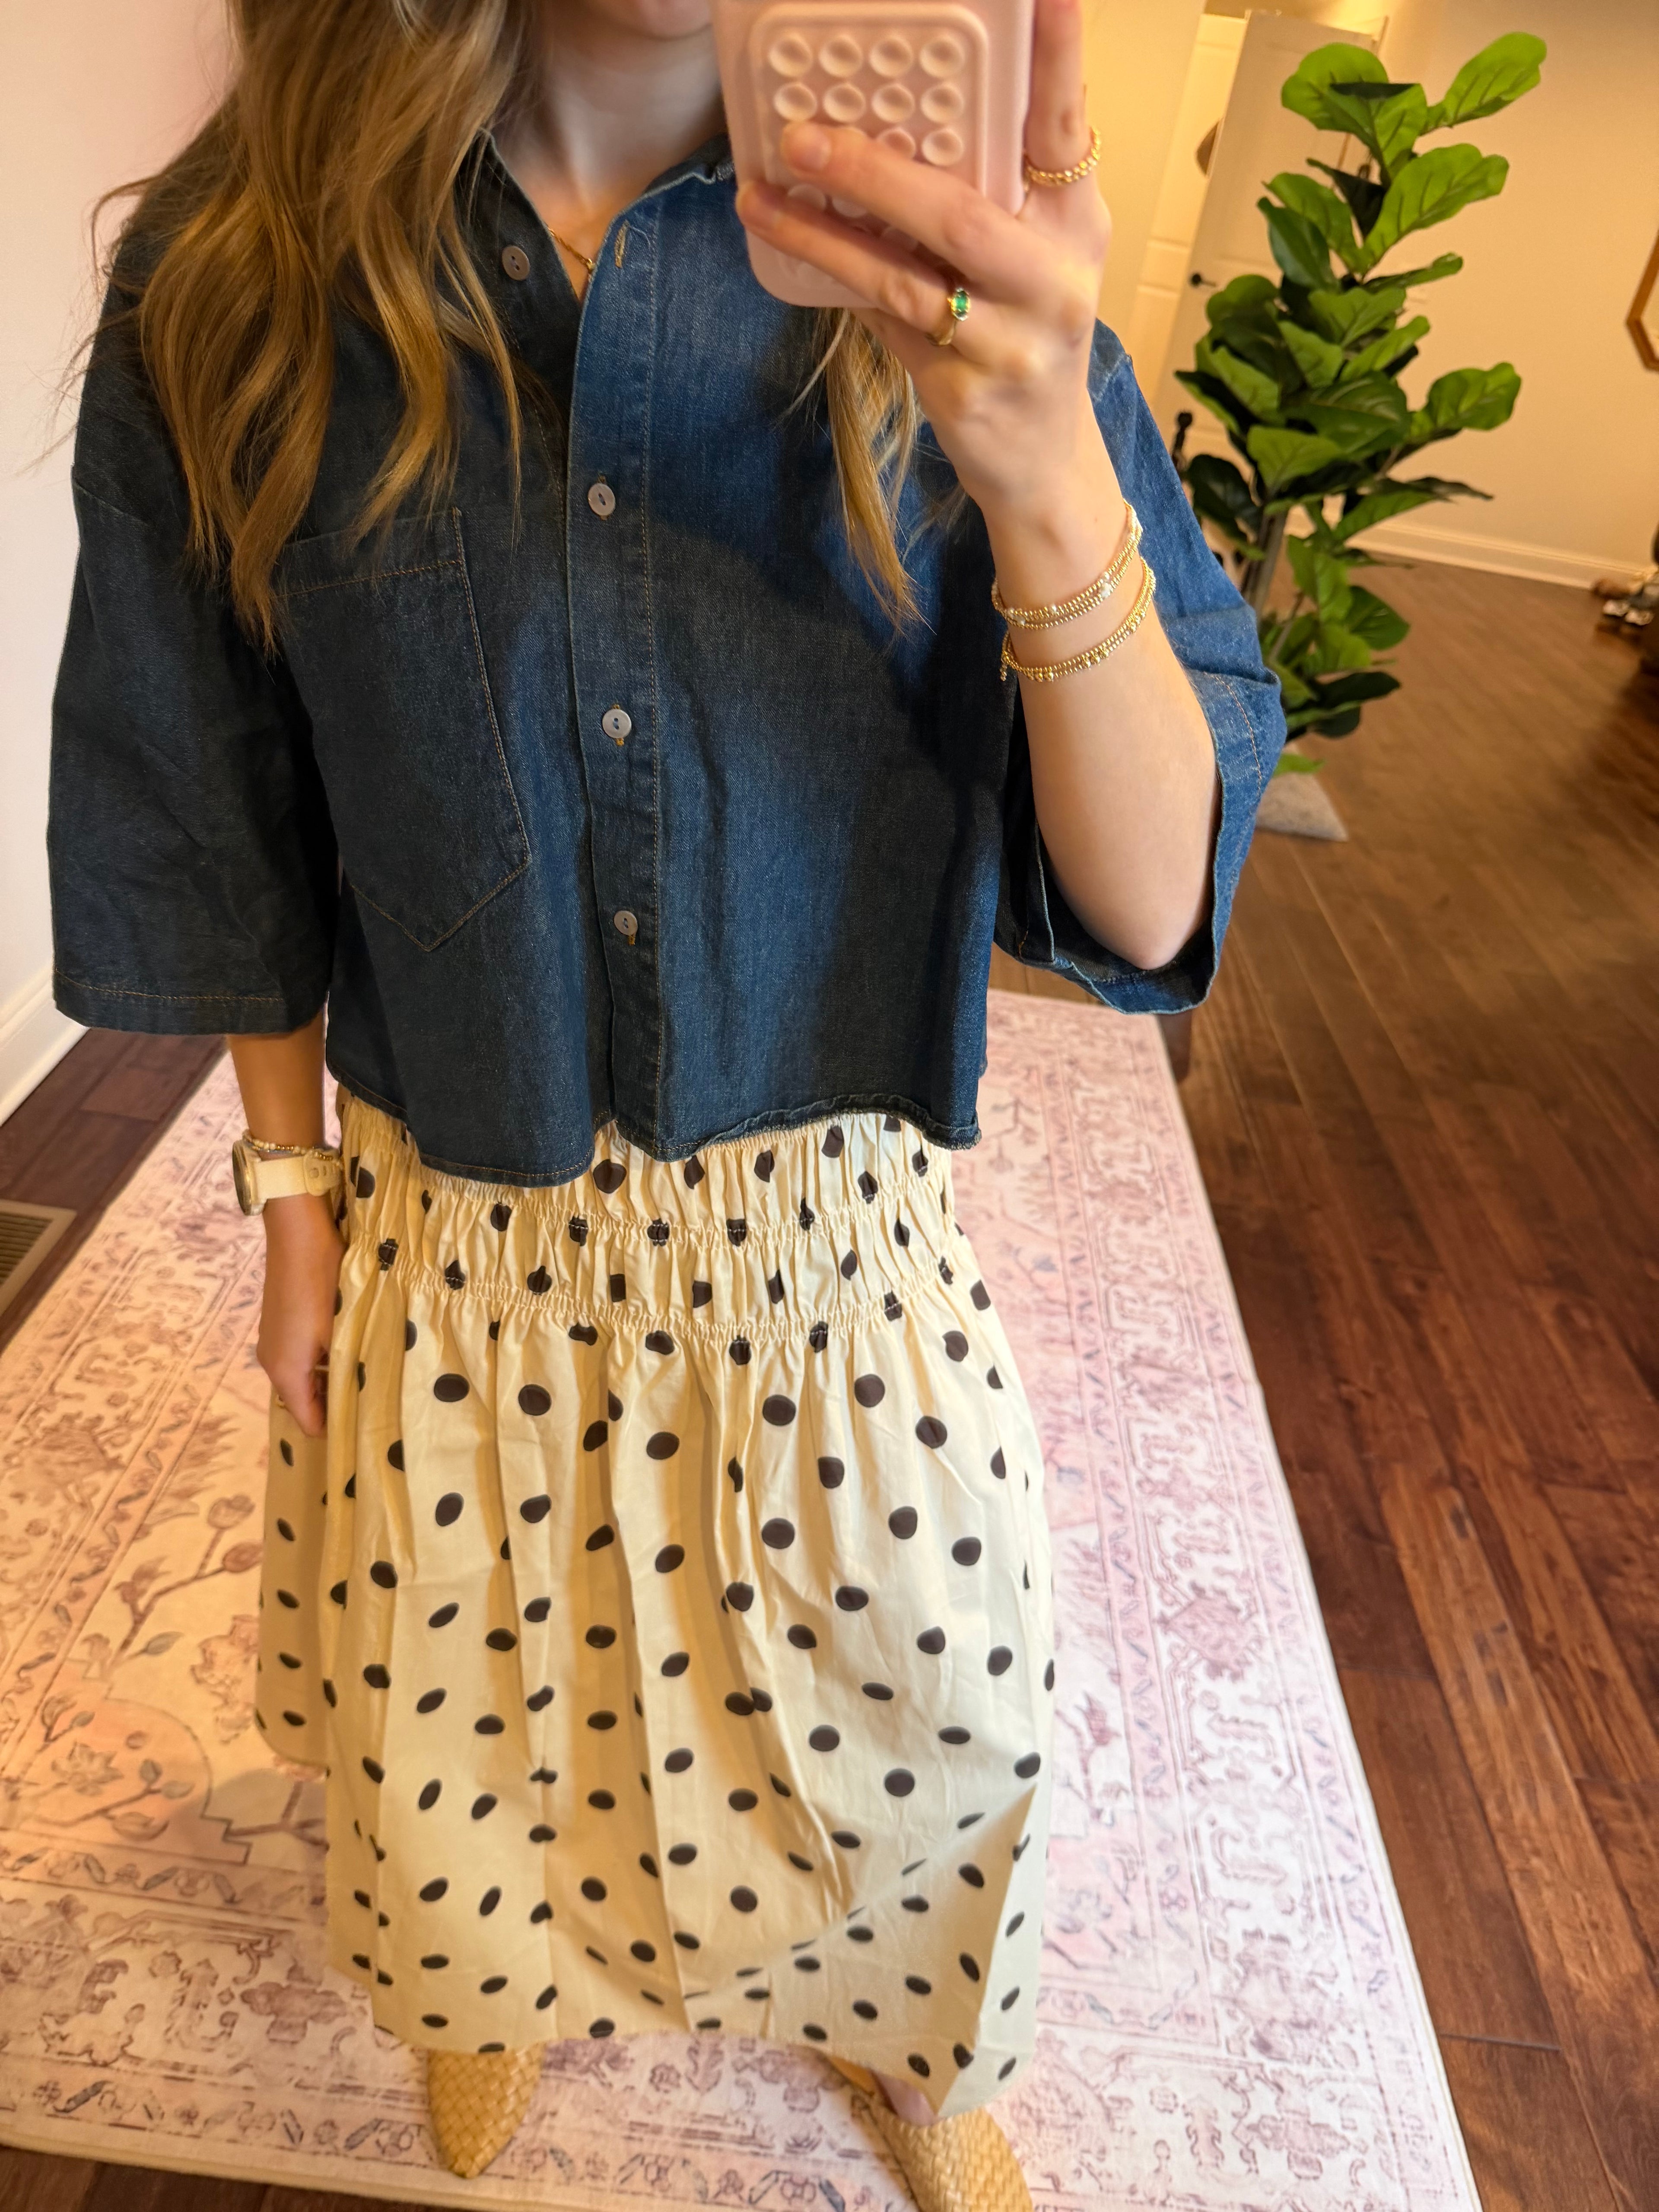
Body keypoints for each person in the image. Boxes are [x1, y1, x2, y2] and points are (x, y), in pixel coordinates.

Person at [47, 0, 1284, 2200]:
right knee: (467, 1733)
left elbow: (1149, 893)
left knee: (921, 1715)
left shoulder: (973, 255)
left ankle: (920, 2043)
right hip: (457, 1229)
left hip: (833, 1250)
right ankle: (495, 1986)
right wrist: (291, 1193)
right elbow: (211, 788)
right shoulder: (243, 267)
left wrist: (1043, 469)